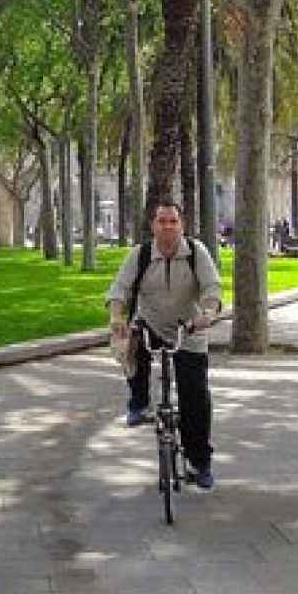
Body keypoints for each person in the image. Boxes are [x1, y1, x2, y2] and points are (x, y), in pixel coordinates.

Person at [106, 201, 224, 490]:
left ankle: (200, 462)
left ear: (182, 225)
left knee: (195, 396)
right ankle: (138, 402)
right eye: (162, 221)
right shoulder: (141, 254)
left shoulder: (197, 253)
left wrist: (208, 313)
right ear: (153, 226)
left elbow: (212, 288)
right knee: (133, 343)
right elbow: (120, 288)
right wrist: (117, 317)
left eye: (173, 221)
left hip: (190, 329)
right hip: (151, 324)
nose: (167, 226)